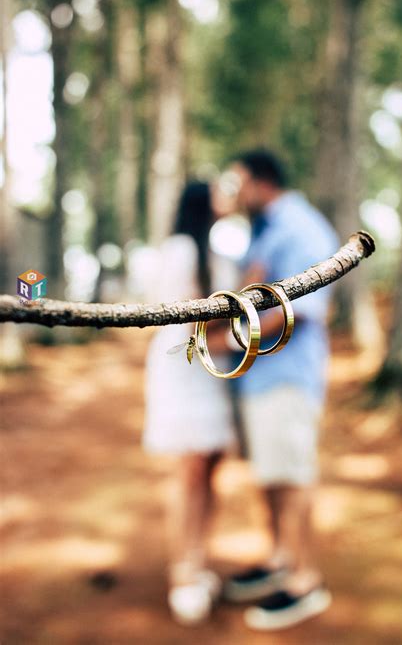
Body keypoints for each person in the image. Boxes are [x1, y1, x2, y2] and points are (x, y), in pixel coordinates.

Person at [222, 149, 339, 631]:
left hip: (288, 377)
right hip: (263, 377)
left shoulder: (300, 228)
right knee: (271, 476)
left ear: (261, 182)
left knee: (293, 477)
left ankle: (306, 580)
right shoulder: (269, 228)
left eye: (239, 183)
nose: (234, 193)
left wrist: (229, 338)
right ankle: (279, 560)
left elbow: (300, 308)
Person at [142, 181, 236, 626]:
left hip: (213, 372)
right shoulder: (180, 249)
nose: (227, 197)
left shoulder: (217, 251)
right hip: (183, 365)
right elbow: (175, 312)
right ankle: (183, 572)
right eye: (219, 191)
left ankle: (198, 560)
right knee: (189, 471)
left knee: (211, 468)